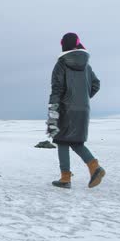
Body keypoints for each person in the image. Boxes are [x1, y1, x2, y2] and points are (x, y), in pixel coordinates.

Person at [47, 32, 104, 189]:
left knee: (61, 139)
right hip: (83, 109)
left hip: (65, 108)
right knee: (75, 140)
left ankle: (65, 178)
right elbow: (96, 85)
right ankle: (94, 167)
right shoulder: (87, 66)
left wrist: (53, 112)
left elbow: (57, 90)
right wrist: (82, 99)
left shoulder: (61, 64)